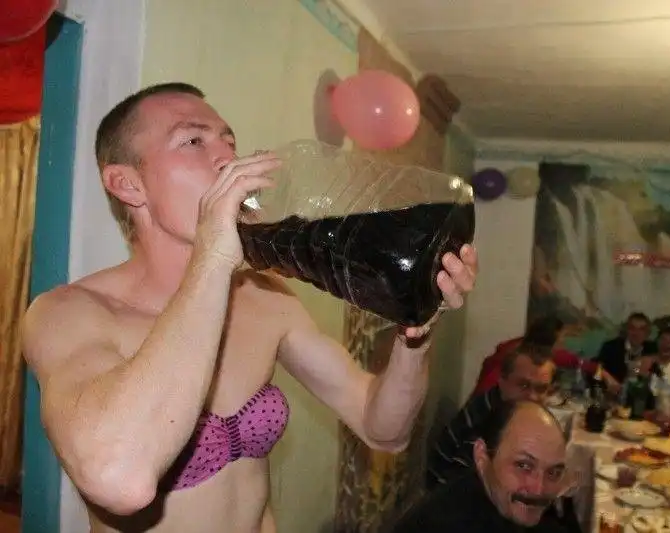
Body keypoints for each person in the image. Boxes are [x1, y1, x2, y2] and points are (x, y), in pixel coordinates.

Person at [21, 82, 478, 533]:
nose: (227, 158)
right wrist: (214, 257)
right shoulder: (68, 314)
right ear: (127, 184)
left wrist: (415, 331)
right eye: (193, 141)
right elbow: (119, 477)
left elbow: (384, 430)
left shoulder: (263, 298)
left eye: (229, 141)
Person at [396, 401, 582, 532]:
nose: (539, 488)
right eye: (523, 465)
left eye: (553, 472)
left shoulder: (500, 500)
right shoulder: (448, 523)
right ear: (481, 455)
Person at [427, 320, 557, 488]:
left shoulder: (505, 406)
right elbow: (458, 489)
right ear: (502, 381)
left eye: (541, 389)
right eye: (523, 385)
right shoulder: (486, 425)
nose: (532, 396)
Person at [472, 316, 611, 398]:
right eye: (561, 339)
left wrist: (605, 374)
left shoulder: (536, 350)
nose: (563, 343)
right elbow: (485, 391)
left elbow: (574, 361)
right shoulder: (513, 355)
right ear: (548, 341)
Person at [593, 312, 657, 389]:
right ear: (627, 330)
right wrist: (606, 378)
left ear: (647, 333)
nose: (636, 333)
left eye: (641, 329)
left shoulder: (652, 348)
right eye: (632, 328)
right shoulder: (611, 347)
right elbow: (596, 370)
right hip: (614, 392)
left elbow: (659, 372)